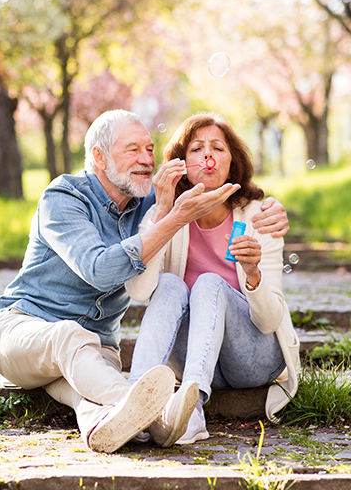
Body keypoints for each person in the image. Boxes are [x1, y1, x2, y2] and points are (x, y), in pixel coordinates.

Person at [0, 109, 290, 453]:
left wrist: (274, 208)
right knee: (69, 337)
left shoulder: (151, 201)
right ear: (98, 157)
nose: (146, 159)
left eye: (149, 149)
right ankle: (157, 411)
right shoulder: (64, 197)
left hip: (97, 349)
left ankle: (112, 429)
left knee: (85, 400)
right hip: (23, 330)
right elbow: (100, 270)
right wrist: (170, 216)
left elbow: (196, 193)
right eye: (133, 150)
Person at [125, 112, 300, 446]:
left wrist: (253, 275)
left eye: (218, 148)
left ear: (231, 163)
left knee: (207, 283)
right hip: (196, 355)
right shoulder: (163, 215)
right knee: (170, 284)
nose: (208, 156)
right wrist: (164, 214)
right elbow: (139, 289)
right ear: (181, 164)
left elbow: (269, 321)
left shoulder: (259, 217)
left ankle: (191, 411)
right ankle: (137, 402)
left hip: (251, 358)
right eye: (196, 149)